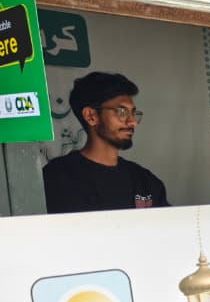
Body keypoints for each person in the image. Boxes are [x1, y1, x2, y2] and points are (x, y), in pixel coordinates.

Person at [42, 71, 168, 213]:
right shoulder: (57, 178)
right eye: (122, 112)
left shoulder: (145, 181)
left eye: (133, 113)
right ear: (91, 116)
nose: (132, 121)